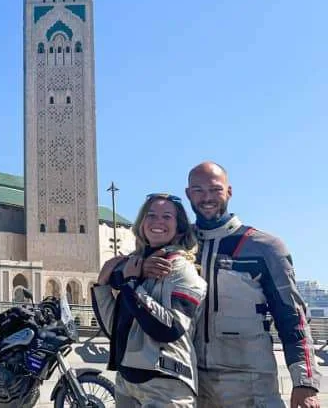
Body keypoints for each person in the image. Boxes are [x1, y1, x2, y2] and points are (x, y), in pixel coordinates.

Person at [144, 162, 321, 407]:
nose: (206, 198)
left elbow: (292, 317)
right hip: (189, 383)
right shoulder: (176, 247)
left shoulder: (264, 247)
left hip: (251, 387)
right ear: (187, 194)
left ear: (229, 191)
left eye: (215, 190)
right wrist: (139, 267)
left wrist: (305, 382)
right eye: (198, 190)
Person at [92, 193, 207, 407]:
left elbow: (169, 328)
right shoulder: (134, 266)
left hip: (165, 385)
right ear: (142, 222)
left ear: (179, 227)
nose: (157, 222)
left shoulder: (181, 268)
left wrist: (132, 285)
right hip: (127, 382)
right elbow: (114, 329)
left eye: (166, 217)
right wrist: (102, 286)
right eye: (151, 215)